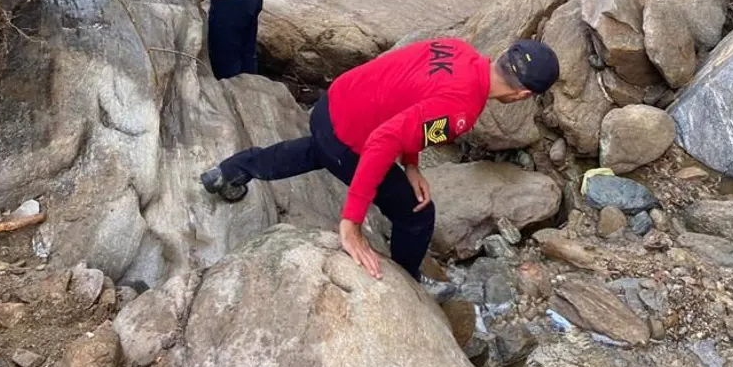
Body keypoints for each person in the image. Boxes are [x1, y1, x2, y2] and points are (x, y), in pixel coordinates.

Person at [200, 36, 559, 293]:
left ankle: (231, 170)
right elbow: (384, 141)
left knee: (313, 152)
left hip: (335, 103)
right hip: (351, 137)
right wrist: (351, 223)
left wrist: (413, 166)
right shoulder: (462, 111)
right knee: (417, 215)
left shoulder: (457, 48)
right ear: (523, 95)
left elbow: (410, 106)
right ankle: (406, 284)